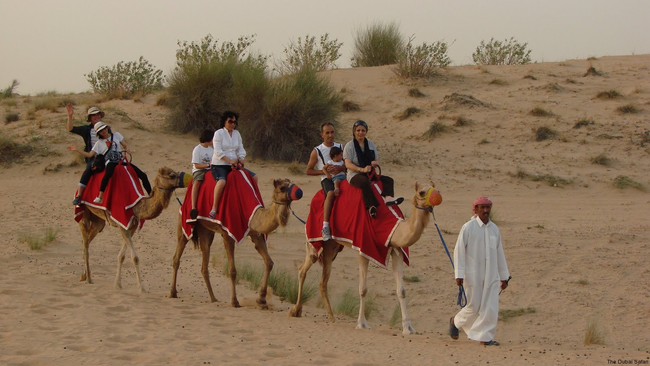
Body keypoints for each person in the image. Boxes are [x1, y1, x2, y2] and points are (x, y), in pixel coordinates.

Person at [449, 196, 511, 346]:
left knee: (490, 307)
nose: (485, 210)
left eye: (487, 207)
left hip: (491, 276)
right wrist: (459, 274)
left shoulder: (494, 229)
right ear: (475, 210)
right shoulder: (468, 227)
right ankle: (455, 321)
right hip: (472, 275)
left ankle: (485, 338)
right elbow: (459, 251)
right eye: (482, 207)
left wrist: (504, 277)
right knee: (473, 306)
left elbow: (499, 253)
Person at [68, 122, 151, 204]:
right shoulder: (99, 143)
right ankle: (100, 196)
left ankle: (151, 194)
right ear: (99, 133)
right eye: (101, 131)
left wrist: (127, 149)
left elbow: (125, 145)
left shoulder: (116, 135)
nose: (104, 131)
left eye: (104, 129)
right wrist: (77, 150)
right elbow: (90, 155)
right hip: (110, 161)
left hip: (121, 159)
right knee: (107, 175)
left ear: (107, 128)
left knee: (143, 175)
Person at [343, 120, 403, 219]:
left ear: (366, 131)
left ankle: (388, 198)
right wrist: (361, 170)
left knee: (388, 180)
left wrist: (374, 163)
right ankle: (371, 206)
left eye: (363, 130)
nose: (360, 133)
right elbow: (348, 164)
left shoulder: (370, 144)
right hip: (355, 174)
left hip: (370, 172)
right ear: (354, 131)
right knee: (364, 182)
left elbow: (375, 159)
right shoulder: (349, 146)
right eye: (358, 130)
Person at [209, 111, 257, 219]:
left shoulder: (237, 134)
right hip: (220, 164)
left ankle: (252, 203)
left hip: (234, 164)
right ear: (224, 121)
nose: (232, 124)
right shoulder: (218, 133)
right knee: (222, 181)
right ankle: (214, 207)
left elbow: (240, 148)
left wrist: (241, 158)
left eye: (234, 122)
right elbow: (217, 150)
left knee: (254, 177)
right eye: (230, 121)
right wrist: (229, 160)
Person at [305, 122, 345, 241]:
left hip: (342, 176)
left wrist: (341, 168)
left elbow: (348, 164)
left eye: (332, 132)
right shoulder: (317, 150)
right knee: (331, 193)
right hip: (327, 180)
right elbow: (308, 170)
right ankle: (325, 226)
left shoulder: (341, 147)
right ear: (322, 134)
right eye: (327, 133)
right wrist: (325, 172)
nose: (330, 135)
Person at [67, 105, 102, 205]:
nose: (96, 117)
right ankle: (79, 196)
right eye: (94, 115)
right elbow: (70, 129)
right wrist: (70, 116)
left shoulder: (105, 128)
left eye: (98, 114)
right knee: (88, 170)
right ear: (90, 118)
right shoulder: (86, 130)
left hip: (106, 156)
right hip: (93, 156)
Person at [189, 129, 215, 220]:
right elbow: (196, 165)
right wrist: (208, 165)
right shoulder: (197, 149)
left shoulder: (211, 150)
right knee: (197, 182)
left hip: (210, 169)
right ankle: (193, 207)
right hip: (199, 170)